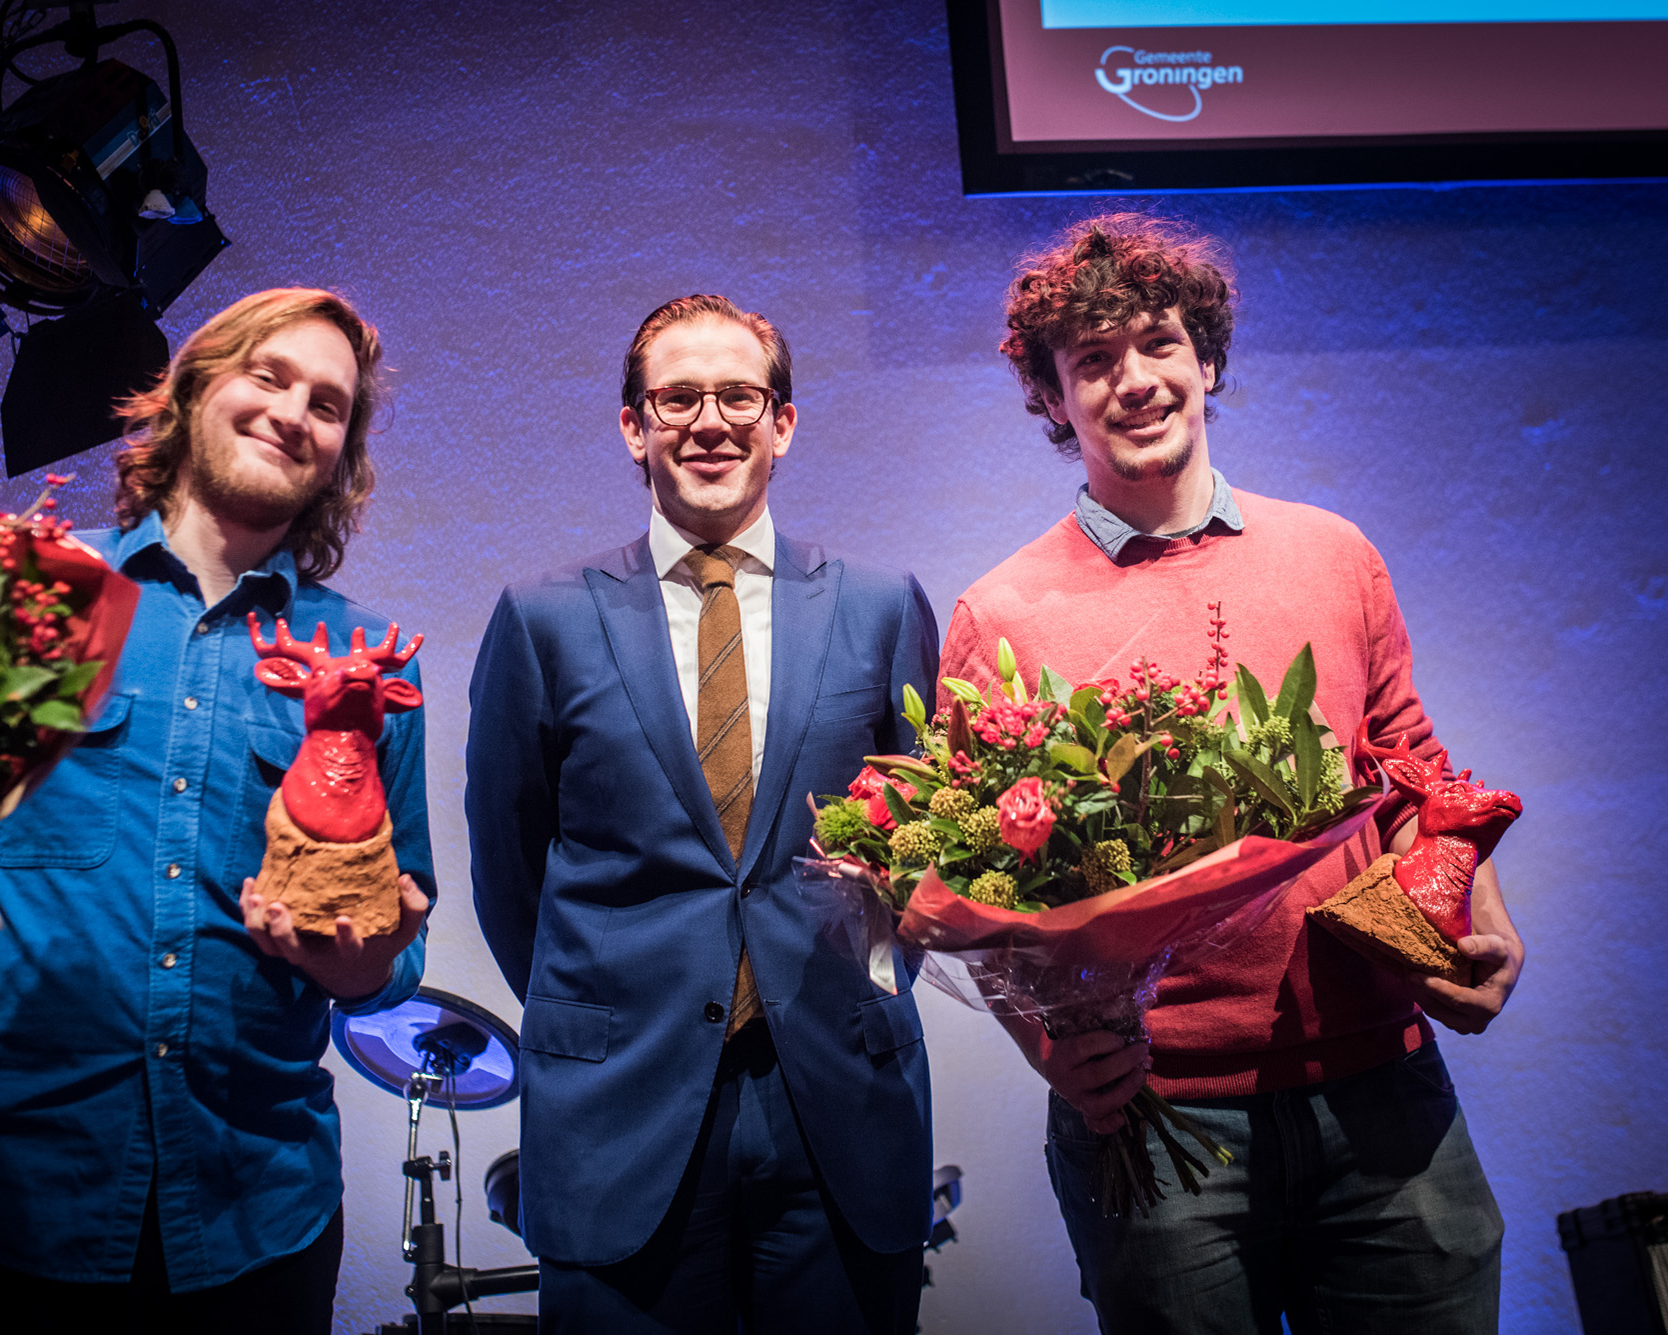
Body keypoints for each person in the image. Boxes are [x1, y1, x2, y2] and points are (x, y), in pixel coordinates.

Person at [939, 215, 1523, 1333]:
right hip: (1159, 1121)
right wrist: (1051, 1051)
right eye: (1092, 360)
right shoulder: (1000, 613)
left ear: (1205, 360)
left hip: (1382, 1091)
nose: (1134, 380)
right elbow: (983, 885)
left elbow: (1413, 771)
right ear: (1054, 398)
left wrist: (1479, 924)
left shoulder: (1333, 554)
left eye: (1158, 343)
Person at [0, 288, 434, 1333]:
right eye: (268, 376)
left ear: (341, 454)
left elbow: (392, 952)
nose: (293, 413)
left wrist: (359, 963)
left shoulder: (369, 664)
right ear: (189, 392)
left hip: (253, 1219)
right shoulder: (27, 592)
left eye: (328, 405)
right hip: (5, 1198)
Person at [466, 295, 938, 1334]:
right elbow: (507, 865)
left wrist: (866, 977)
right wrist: (605, 1005)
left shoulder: (879, 606)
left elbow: (922, 840)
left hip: (839, 1098)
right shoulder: (542, 618)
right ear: (633, 426)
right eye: (677, 397)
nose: (709, 421)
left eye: (738, 395)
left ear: (783, 423)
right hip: (618, 1108)